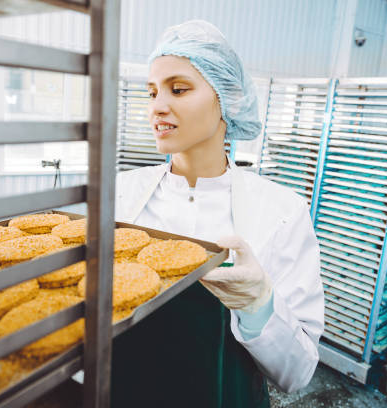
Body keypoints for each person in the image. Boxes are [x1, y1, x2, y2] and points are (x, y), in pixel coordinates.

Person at [112, 20, 325, 407]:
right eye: (152, 92)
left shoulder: (280, 211)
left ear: (227, 99)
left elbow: (297, 373)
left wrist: (258, 303)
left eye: (178, 89)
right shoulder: (121, 194)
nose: (157, 106)